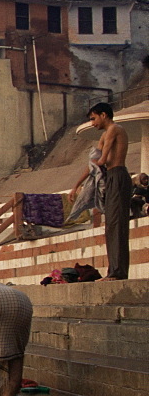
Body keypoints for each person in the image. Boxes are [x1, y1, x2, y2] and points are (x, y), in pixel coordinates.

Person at [70, 103, 130, 280]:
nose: (92, 123)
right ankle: (114, 271)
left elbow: (101, 160)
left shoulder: (114, 129)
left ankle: (118, 273)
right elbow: (94, 164)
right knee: (111, 226)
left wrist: (94, 162)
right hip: (110, 177)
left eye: (93, 119)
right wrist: (76, 185)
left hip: (118, 175)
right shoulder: (104, 135)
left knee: (117, 225)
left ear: (104, 115)